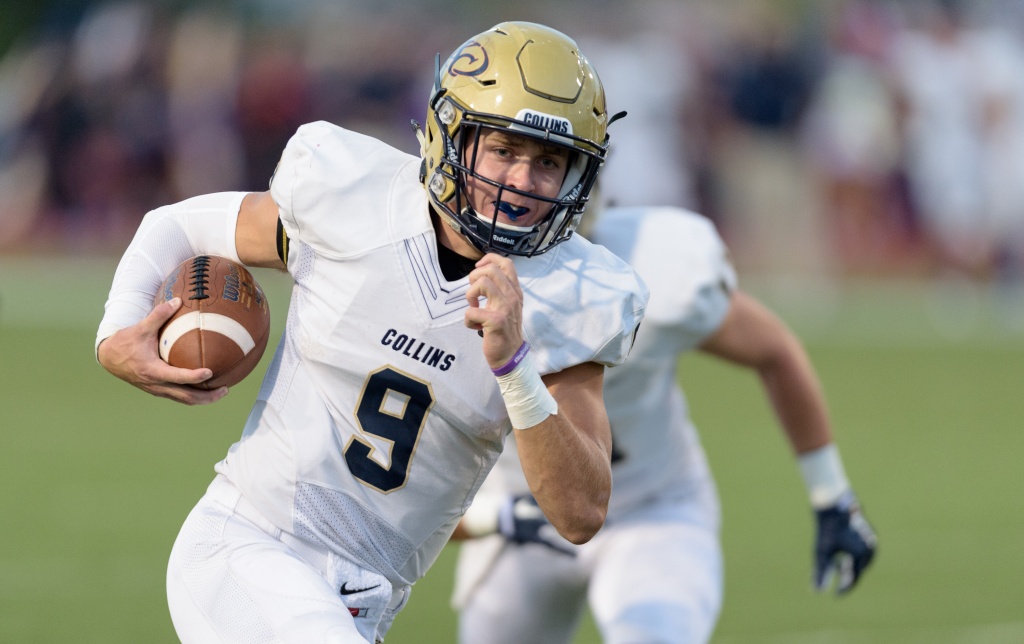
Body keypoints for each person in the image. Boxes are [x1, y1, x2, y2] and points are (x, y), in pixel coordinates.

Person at [94, 22, 648, 643]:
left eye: (549, 161)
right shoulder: (356, 201)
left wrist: (514, 365)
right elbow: (182, 223)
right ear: (451, 139)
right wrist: (117, 332)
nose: (521, 180)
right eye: (503, 150)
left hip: (364, 600)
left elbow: (579, 513)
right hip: (248, 547)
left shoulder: (572, 296)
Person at [451, 205, 878, 644]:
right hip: (522, 523)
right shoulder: (439, 295)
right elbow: (397, 482)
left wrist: (833, 496)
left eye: (550, 161)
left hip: (652, 509)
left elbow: (775, 350)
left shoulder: (646, 273)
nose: (527, 182)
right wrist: (496, 517)